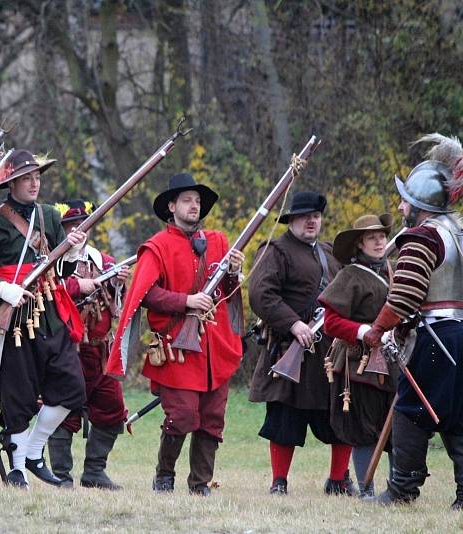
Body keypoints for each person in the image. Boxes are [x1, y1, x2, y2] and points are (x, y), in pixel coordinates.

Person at [105, 173, 244, 495]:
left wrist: (235, 272)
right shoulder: (157, 247)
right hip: (176, 346)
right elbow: (144, 295)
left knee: (212, 420)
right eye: (186, 200)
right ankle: (164, 475)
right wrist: (185, 302)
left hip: (214, 346)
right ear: (172, 206)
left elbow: (227, 292)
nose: (194, 205)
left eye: (197, 201)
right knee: (181, 416)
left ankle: (200, 484)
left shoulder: (219, 242)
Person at [0, 149, 87, 489]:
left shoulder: (49, 216)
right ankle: (18, 470)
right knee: (18, 396)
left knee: (72, 388)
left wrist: (71, 251)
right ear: (12, 183)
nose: (34, 182)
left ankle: (33, 451)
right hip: (14, 319)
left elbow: (62, 270)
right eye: (27, 177)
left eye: (37, 176)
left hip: (51, 313)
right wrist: (2, 288)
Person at [361, 135, 463, 508]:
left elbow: (404, 296)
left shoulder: (422, 236)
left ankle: (402, 489)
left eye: (405, 199)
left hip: (433, 335)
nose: (400, 205)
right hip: (459, 334)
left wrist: (377, 329)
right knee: (457, 413)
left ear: (418, 204)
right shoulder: (459, 232)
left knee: (411, 411)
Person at [247, 191, 354, 496]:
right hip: (290, 349)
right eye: (305, 216)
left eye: (316, 216)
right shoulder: (275, 250)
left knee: (340, 418)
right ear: (291, 219)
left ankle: (338, 481)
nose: (311, 221)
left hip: (328, 353)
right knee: (284, 419)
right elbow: (261, 294)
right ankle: (279, 482)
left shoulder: (331, 253)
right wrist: (293, 323)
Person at [47, 199, 128, 490]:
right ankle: (61, 476)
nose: (78, 230)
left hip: (100, 350)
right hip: (67, 351)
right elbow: (46, 291)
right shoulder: (52, 261)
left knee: (112, 409)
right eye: (71, 225)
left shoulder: (103, 261)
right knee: (63, 412)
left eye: (83, 224)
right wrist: (75, 285)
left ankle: (94, 471)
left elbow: (118, 302)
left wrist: (118, 281)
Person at [318, 214, 399, 497]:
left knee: (395, 427)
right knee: (364, 427)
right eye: (371, 238)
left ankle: (396, 490)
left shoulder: (393, 271)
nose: (379, 242)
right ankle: (367, 491)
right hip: (358, 363)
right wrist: (365, 331)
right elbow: (331, 322)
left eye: (382, 236)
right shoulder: (349, 275)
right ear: (359, 244)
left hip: (391, 360)